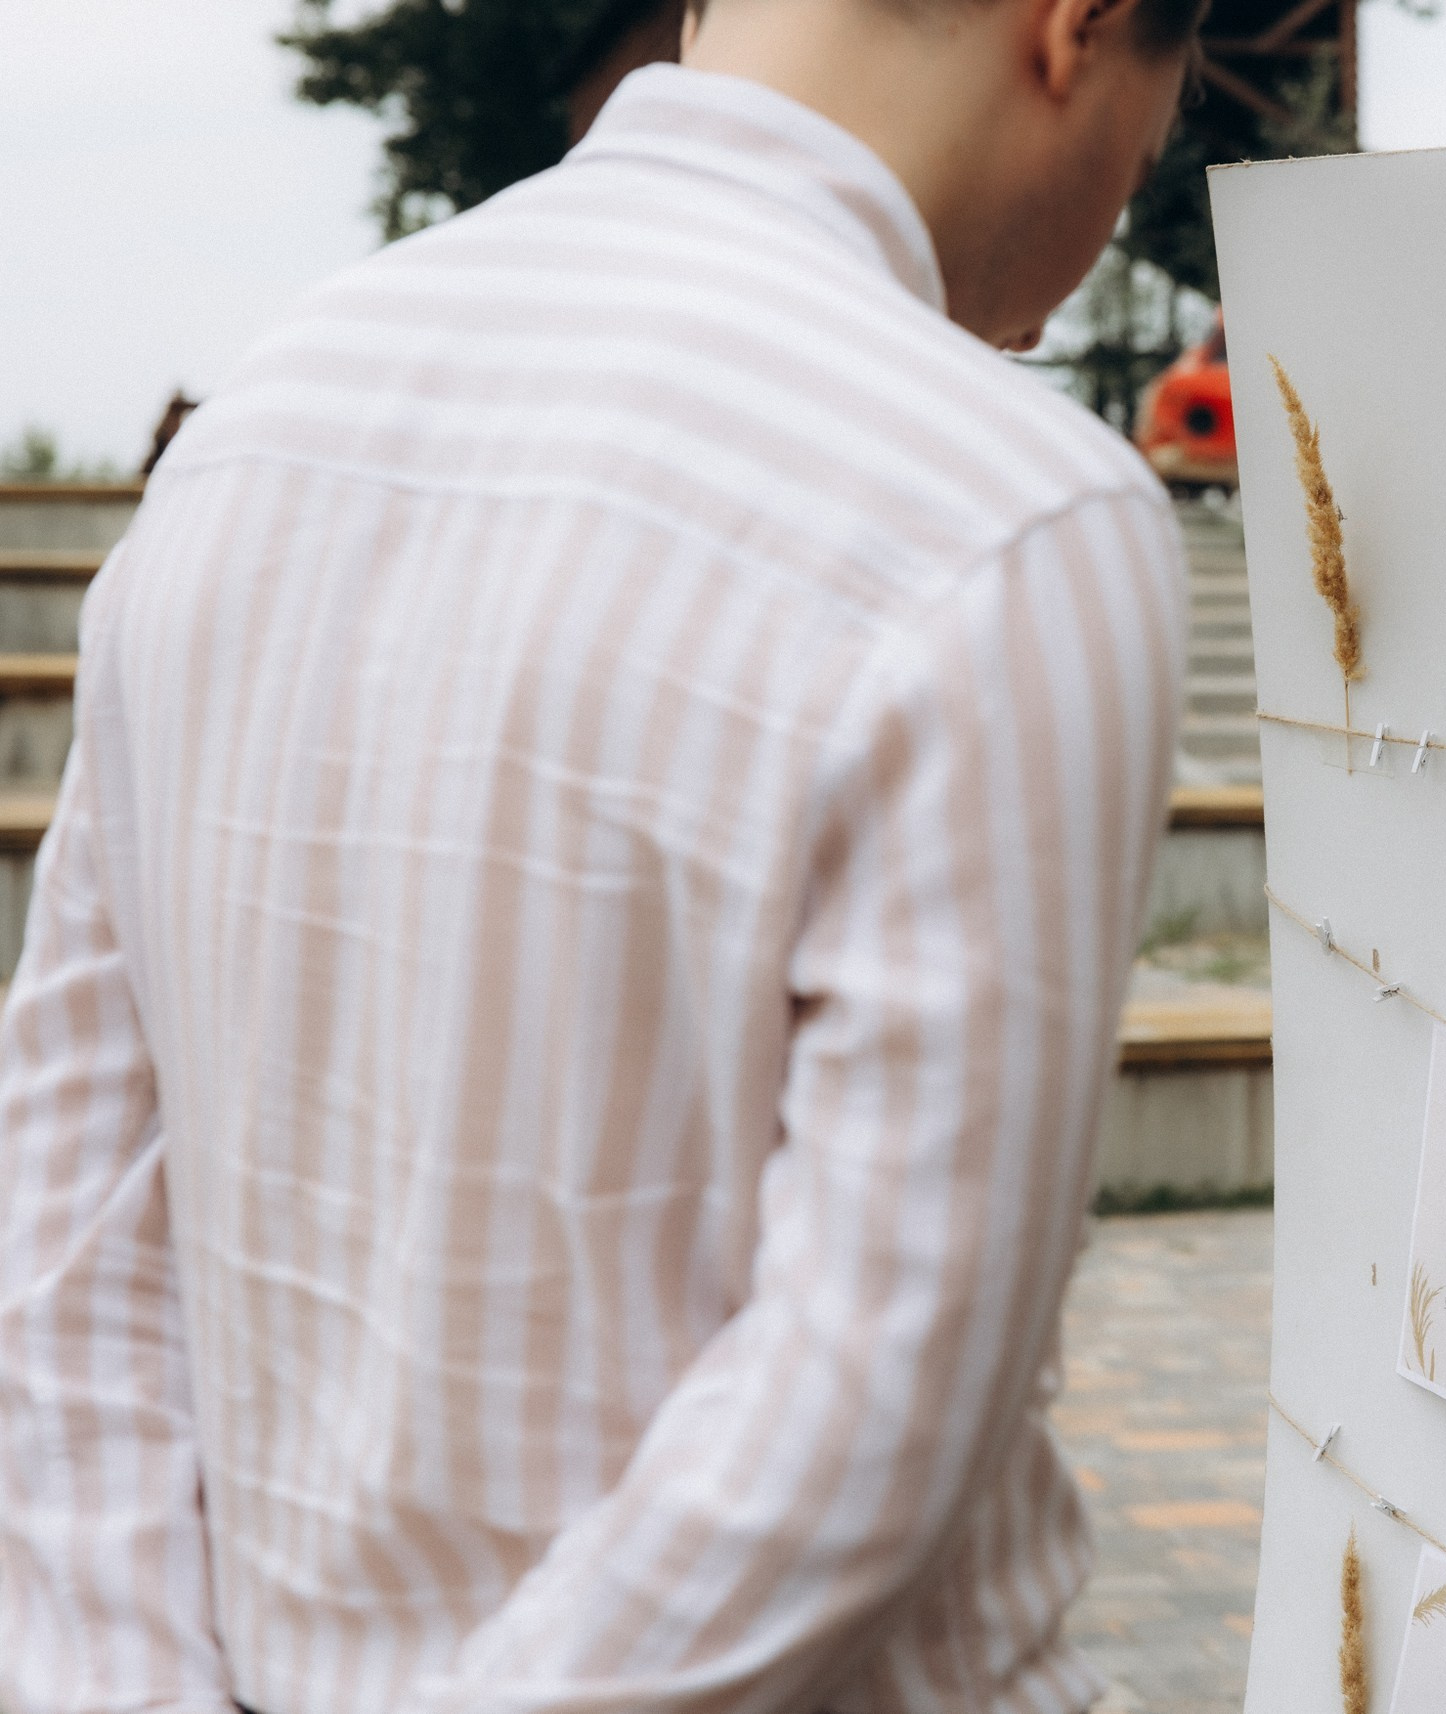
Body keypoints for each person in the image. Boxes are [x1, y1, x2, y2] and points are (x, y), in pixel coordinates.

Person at [0, 0, 1199, 1707]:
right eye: (1152, 148)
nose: (1115, 215)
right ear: (1075, 28)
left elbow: (62, 1247)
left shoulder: (256, 426)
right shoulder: (1012, 515)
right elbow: (870, 1400)